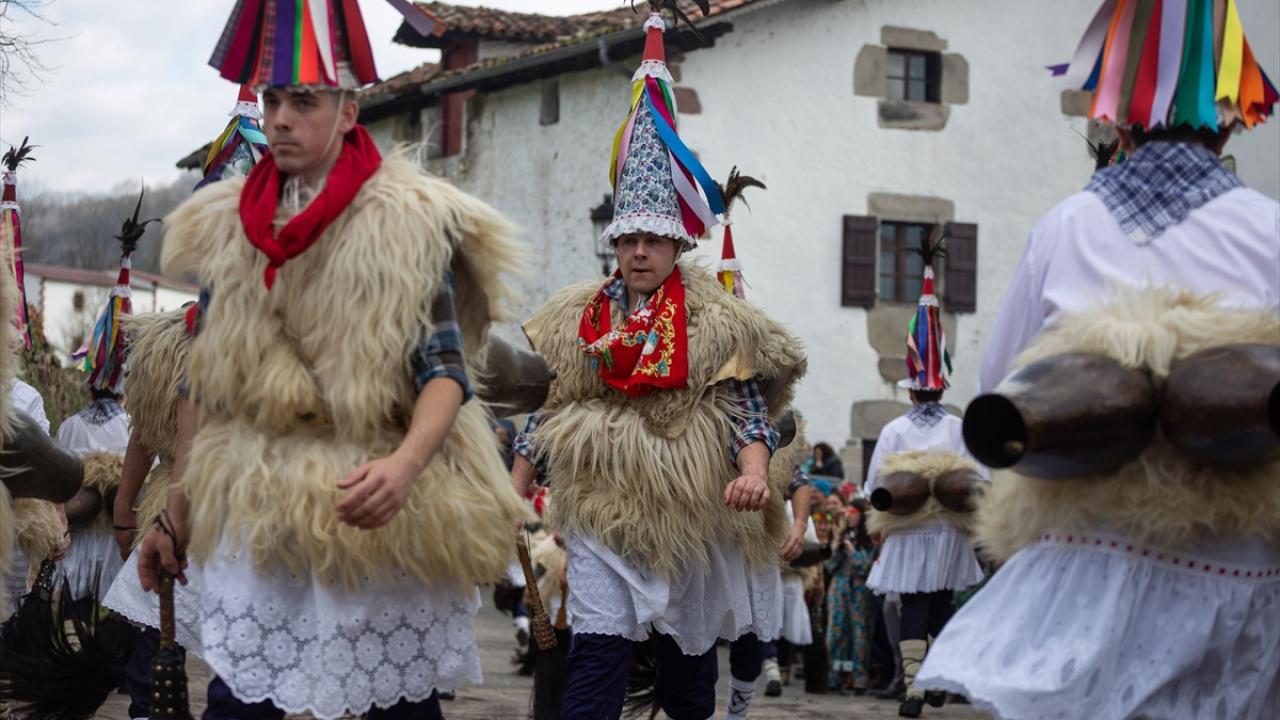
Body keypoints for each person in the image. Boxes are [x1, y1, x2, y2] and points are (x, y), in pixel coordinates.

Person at [135, 3, 529, 717]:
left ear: (348, 111)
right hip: (258, 500)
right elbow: (206, 378)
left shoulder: (407, 221)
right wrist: (178, 503)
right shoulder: (229, 225)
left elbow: (444, 372)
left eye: (304, 102)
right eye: (273, 100)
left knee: (390, 706)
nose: (281, 118)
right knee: (240, 701)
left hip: (370, 500)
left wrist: (404, 468)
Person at [918, 3, 1280, 718]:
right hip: (1234, 556)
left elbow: (999, 390)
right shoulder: (1269, 227)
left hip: (1086, 550)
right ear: (1235, 117)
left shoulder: (1065, 225)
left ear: (1118, 117)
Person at [509, 9, 805, 720]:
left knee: (683, 678)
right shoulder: (577, 316)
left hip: (688, 515)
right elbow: (547, 409)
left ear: (677, 246)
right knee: (596, 663)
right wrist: (514, 491)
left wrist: (754, 473)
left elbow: (748, 411)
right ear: (615, 242)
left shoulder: (718, 319)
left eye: (654, 239)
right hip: (603, 510)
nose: (639, 251)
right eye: (629, 238)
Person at [863, 239, 989, 717]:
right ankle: (934, 677)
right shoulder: (959, 427)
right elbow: (974, 481)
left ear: (911, 390)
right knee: (939, 604)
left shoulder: (894, 429)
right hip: (947, 532)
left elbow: (879, 486)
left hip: (913, 530)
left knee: (915, 603)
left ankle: (916, 685)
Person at [825, 497, 875, 695]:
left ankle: (859, 678)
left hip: (860, 591)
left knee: (860, 635)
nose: (849, 517)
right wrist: (836, 547)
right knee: (836, 634)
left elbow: (865, 567)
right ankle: (836, 675)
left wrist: (853, 552)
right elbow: (829, 566)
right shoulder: (842, 535)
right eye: (847, 513)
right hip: (839, 587)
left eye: (853, 513)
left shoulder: (869, 539)